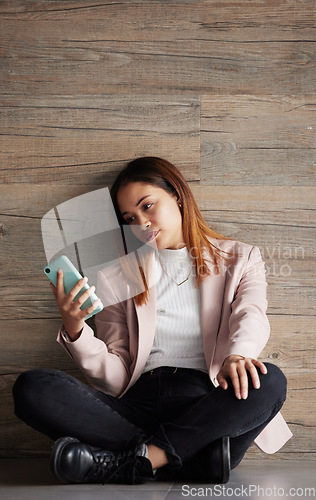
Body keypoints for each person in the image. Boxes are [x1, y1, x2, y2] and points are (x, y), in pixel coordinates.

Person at [12, 157, 292, 485]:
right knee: (32, 388)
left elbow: (251, 315)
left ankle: (138, 461)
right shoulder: (118, 275)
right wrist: (76, 329)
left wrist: (237, 354)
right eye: (130, 218)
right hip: (137, 406)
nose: (141, 222)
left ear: (176, 194)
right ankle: (189, 459)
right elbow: (115, 377)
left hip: (207, 405)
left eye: (148, 206)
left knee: (269, 379)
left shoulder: (240, 258)